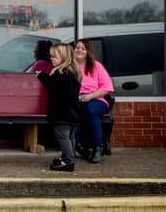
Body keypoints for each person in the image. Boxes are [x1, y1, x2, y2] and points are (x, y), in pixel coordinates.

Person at [37, 43, 81, 172]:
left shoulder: (61, 73)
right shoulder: (73, 71)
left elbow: (53, 86)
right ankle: (67, 157)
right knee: (70, 137)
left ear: (64, 57)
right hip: (73, 113)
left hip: (62, 114)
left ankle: (68, 161)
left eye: (54, 57)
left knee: (63, 137)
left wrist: (41, 75)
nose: (51, 59)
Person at [74, 38, 115, 164]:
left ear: (88, 51)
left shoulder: (97, 66)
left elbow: (108, 88)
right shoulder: (70, 66)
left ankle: (98, 147)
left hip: (97, 99)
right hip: (76, 99)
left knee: (90, 109)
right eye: (77, 47)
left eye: (83, 48)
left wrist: (91, 96)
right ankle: (79, 147)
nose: (79, 50)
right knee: (73, 111)